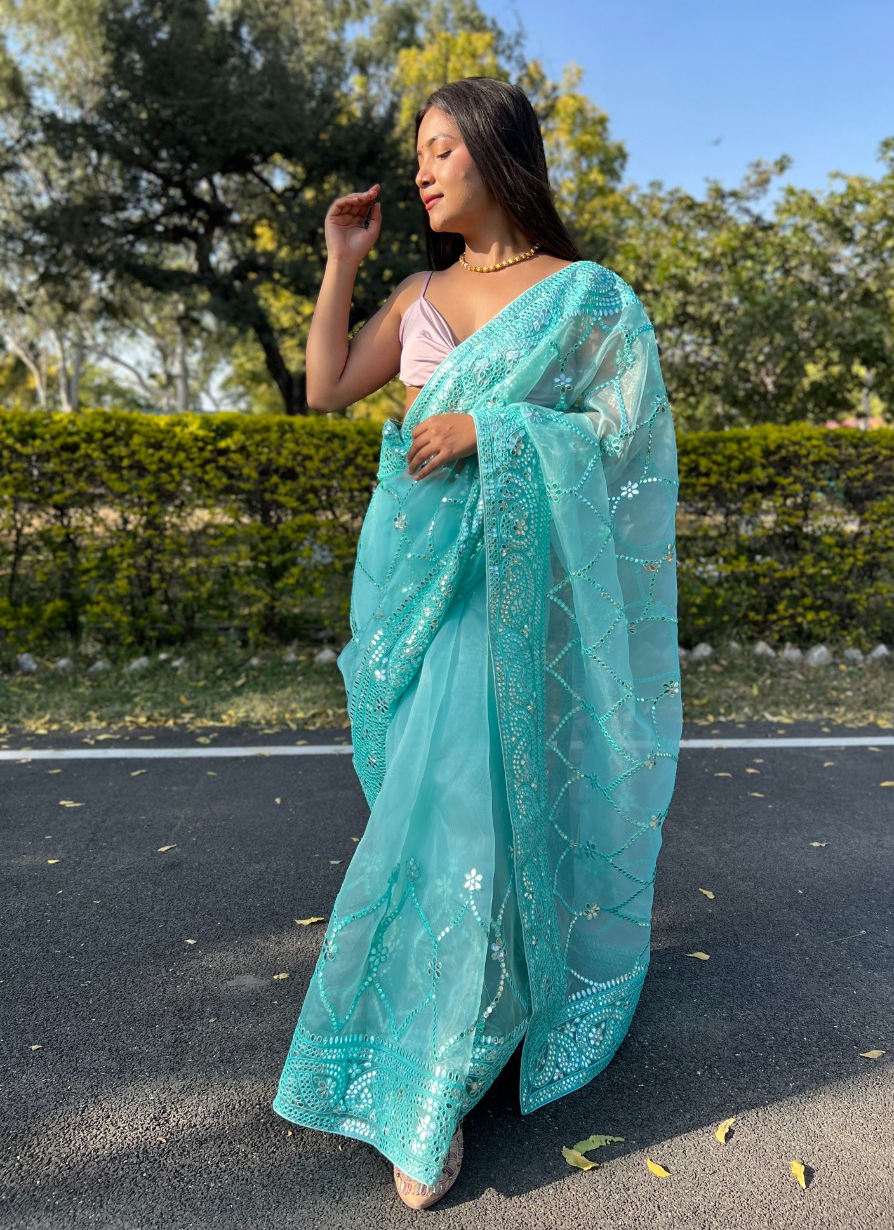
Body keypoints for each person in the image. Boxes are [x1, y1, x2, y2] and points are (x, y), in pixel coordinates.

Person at [272, 76, 682, 1210]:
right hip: (427, 598)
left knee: (495, 821)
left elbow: (627, 447)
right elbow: (323, 387)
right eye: (419, 152)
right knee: (438, 826)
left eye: (443, 147)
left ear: (500, 153)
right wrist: (341, 262)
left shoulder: (586, 300)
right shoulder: (417, 293)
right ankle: (446, 1030)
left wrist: (490, 429)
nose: (422, 169)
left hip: (526, 610)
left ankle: (432, 1084)